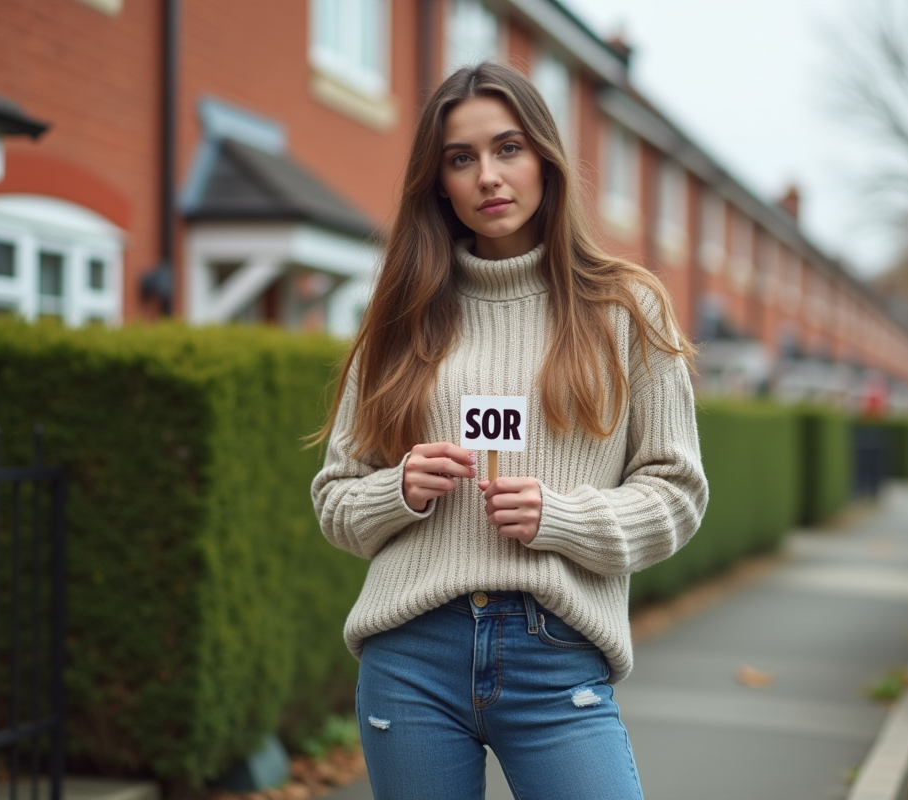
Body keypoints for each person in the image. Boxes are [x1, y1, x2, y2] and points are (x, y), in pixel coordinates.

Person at [311, 61, 708, 800]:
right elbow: (335, 497)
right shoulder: (400, 319)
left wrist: (560, 517)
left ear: (546, 160)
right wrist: (399, 490)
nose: (487, 176)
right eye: (461, 159)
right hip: (411, 655)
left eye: (508, 148)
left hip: (557, 655)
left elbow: (677, 495)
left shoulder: (627, 309)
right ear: (440, 183)